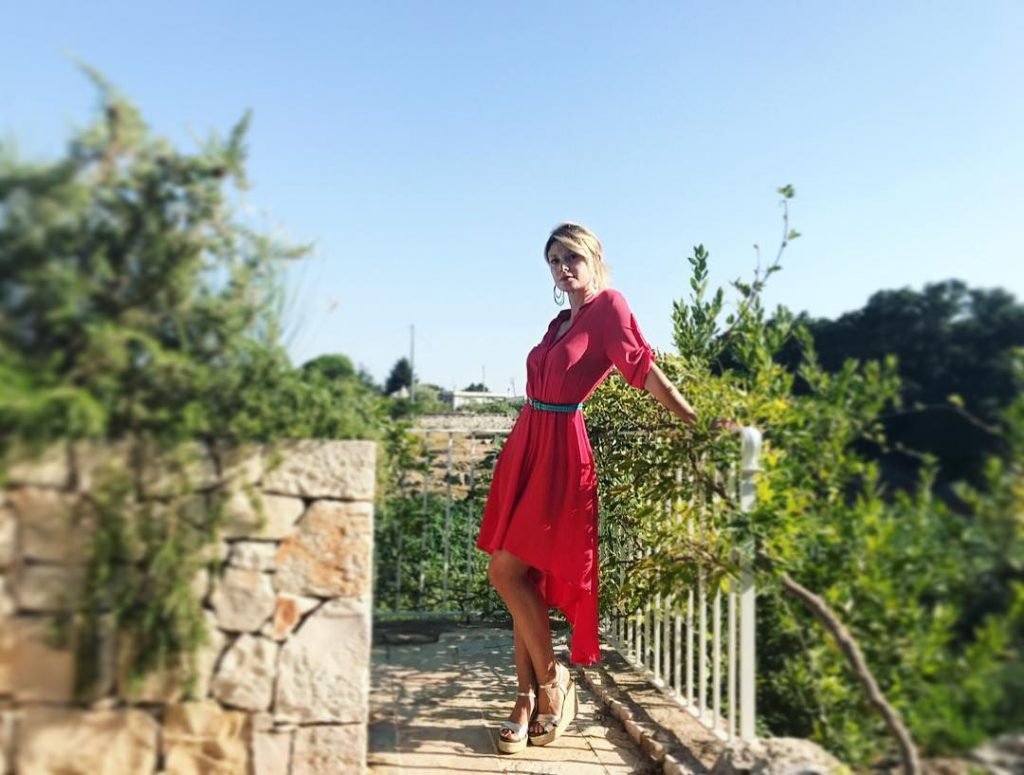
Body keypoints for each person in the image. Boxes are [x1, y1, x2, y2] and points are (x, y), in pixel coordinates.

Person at [476, 222, 706, 754]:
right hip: (529, 444)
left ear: (594, 257)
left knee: (505, 571)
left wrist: (696, 420)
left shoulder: (610, 308)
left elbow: (644, 369)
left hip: (560, 452)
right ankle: (525, 699)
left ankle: (552, 683)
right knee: (522, 578)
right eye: (554, 261)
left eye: (571, 257)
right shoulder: (561, 321)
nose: (563, 268)